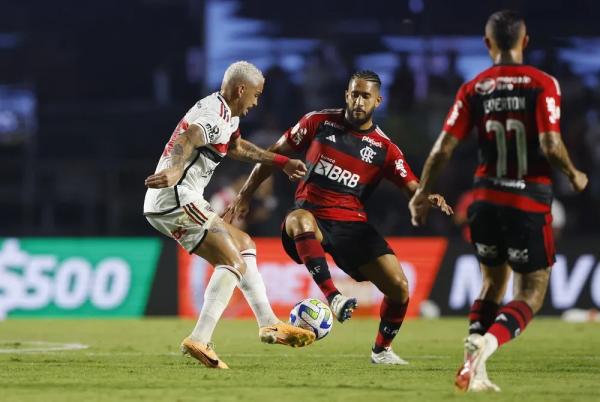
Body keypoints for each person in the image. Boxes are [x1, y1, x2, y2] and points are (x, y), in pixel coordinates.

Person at [408, 10, 588, 392]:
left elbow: (442, 149)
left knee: (491, 284)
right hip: (528, 200)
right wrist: (574, 175)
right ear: (525, 40)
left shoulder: (474, 88)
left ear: (488, 44)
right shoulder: (543, 83)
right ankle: (486, 346)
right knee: (531, 292)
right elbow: (550, 144)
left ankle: (473, 367)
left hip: (485, 199)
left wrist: (422, 192)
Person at [225, 70, 452, 365]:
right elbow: (273, 154)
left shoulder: (385, 149)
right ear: (346, 95)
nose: (358, 101)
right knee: (298, 219)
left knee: (399, 287)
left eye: (365, 96)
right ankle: (333, 296)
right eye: (354, 94)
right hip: (312, 217)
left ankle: (382, 351)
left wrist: (427, 195)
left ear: (377, 101)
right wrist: (244, 194)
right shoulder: (317, 122)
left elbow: (412, 187)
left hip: (352, 225)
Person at [143, 61, 315, 369]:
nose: (256, 102)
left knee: (245, 244)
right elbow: (189, 138)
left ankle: (269, 323)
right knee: (231, 261)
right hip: (177, 199)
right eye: (256, 95)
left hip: (175, 201)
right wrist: (176, 168)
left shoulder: (226, 115)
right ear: (241, 90)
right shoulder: (214, 116)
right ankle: (200, 337)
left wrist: (280, 161)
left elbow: (236, 147)